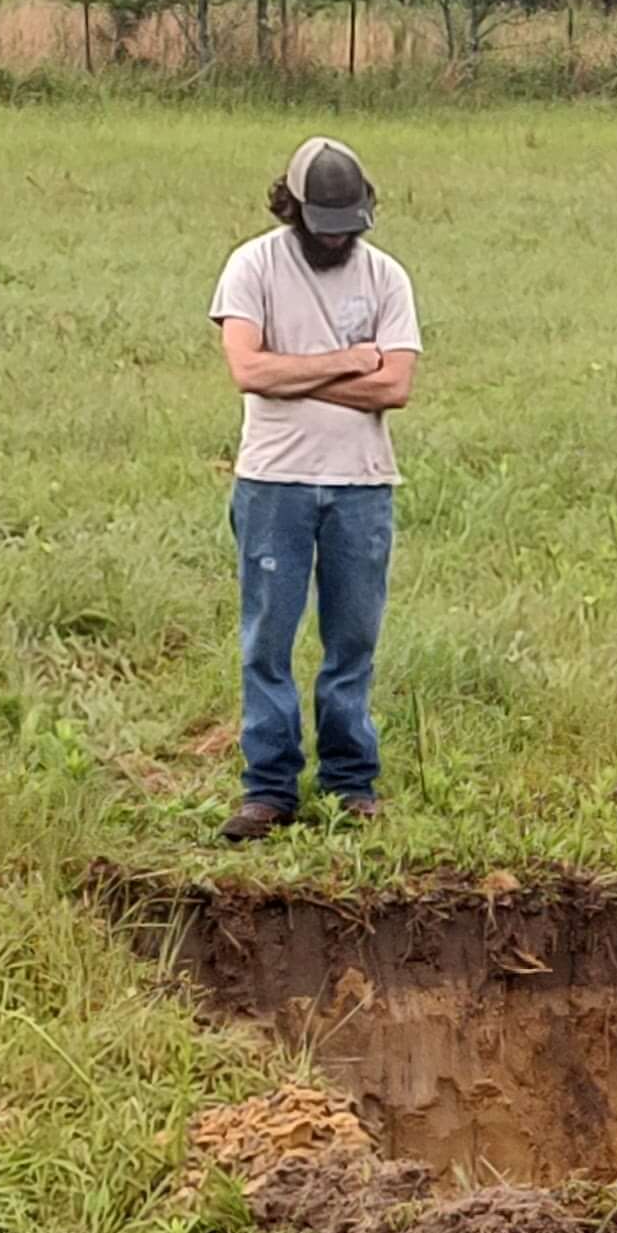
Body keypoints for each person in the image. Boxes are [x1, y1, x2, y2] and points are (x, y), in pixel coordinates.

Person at [209, 137, 421, 840]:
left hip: (362, 485)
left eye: (347, 227)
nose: (336, 240)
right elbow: (248, 371)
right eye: (324, 227)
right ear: (293, 211)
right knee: (267, 638)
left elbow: (394, 386)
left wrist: (296, 371)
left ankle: (349, 780)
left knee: (352, 637)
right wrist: (345, 367)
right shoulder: (251, 267)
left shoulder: (388, 277)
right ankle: (268, 789)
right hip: (274, 481)